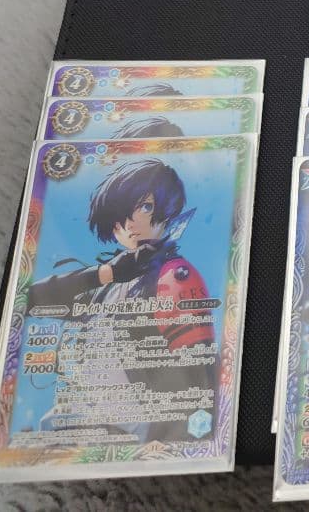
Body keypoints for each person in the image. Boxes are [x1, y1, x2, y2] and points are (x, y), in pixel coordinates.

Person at [27, 159, 215, 442]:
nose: (130, 223)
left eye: (145, 207)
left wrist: (180, 440)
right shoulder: (104, 286)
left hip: (141, 429)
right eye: (119, 216)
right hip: (87, 419)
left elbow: (198, 370)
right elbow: (30, 299)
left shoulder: (173, 276)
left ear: (169, 211)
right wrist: (105, 274)